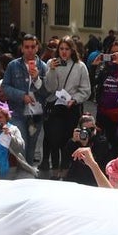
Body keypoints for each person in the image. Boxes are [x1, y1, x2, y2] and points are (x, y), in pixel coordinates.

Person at [43, 36, 91, 178]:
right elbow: (50, 88)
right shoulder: (51, 63)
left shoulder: (80, 66)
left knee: (68, 140)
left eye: (67, 49)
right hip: (55, 106)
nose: (64, 52)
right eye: (61, 49)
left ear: (72, 50)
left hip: (71, 107)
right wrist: (51, 70)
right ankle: (54, 169)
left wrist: (75, 99)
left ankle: (65, 169)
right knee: (53, 139)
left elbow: (86, 90)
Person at [2, 35, 49, 167]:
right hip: (17, 112)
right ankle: (21, 173)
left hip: (36, 115)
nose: (30, 50)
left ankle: (27, 172)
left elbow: (48, 92)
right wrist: (22, 96)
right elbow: (5, 87)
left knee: (31, 147)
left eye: (32, 47)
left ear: (37, 48)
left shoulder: (43, 67)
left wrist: (37, 79)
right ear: (22, 48)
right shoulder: (13, 65)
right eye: (26, 47)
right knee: (21, 145)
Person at [93, 43, 118, 149]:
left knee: (115, 144)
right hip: (103, 112)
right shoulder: (104, 69)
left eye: (117, 53)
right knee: (100, 143)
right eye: (112, 53)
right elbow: (93, 82)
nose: (114, 55)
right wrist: (94, 66)